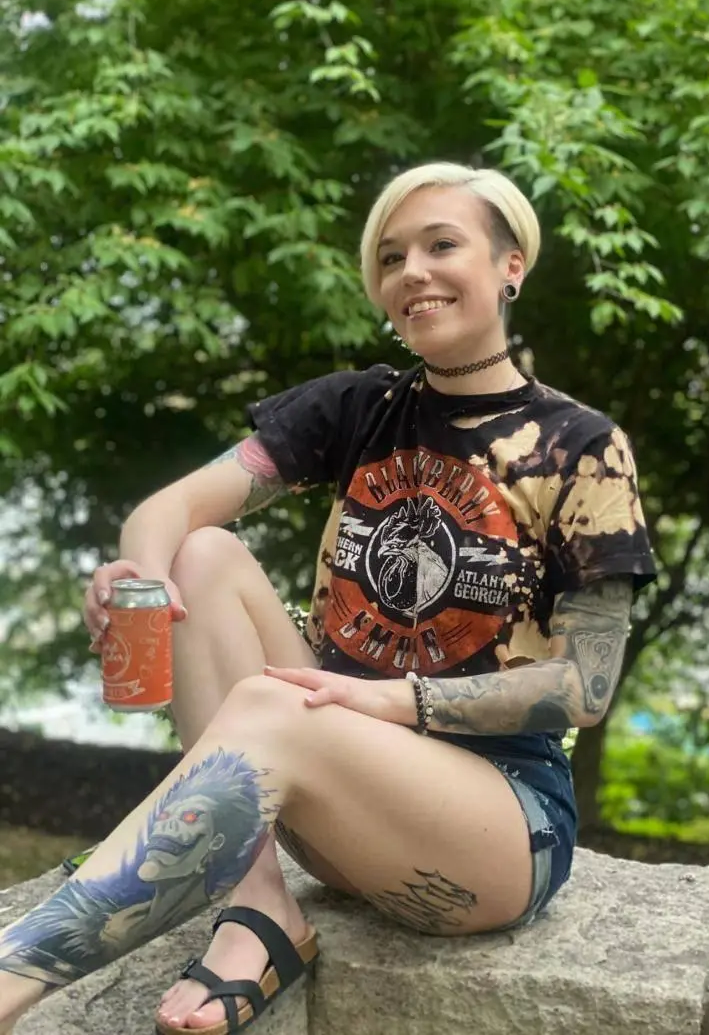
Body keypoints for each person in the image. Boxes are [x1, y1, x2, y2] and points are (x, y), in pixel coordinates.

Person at [0, 162, 656, 1035]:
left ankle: (9, 981)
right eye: (391, 257)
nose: (412, 272)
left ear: (511, 266)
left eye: (442, 245)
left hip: (492, 830)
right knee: (199, 555)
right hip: (334, 802)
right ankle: (258, 907)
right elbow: (172, 509)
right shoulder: (359, 407)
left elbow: (584, 687)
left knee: (277, 707)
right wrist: (142, 582)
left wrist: (388, 701)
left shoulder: (582, 447)